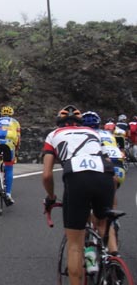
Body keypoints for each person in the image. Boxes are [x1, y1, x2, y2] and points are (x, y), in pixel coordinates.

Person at [42, 105, 115, 285]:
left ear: (59, 122)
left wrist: (51, 197)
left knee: (75, 244)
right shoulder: (94, 133)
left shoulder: (53, 135)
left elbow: (47, 174)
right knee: (103, 223)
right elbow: (109, 166)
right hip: (104, 174)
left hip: (76, 176)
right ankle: (114, 262)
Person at [82, 111, 126, 255]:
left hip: (100, 168)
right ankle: (112, 218)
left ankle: (95, 241)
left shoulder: (85, 136)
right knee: (110, 198)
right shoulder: (108, 134)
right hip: (118, 169)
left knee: (94, 210)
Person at [0, 105, 20, 206]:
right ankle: (8, 194)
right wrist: (17, 150)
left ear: (1, 114)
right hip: (9, 144)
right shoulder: (15, 122)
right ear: (11, 114)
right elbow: (18, 138)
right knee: (9, 168)